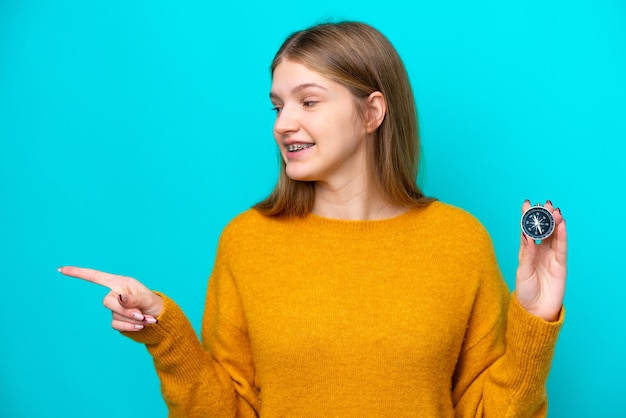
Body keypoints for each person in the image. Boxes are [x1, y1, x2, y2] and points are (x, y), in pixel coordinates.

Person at [59, 21, 567, 417]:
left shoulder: (458, 241)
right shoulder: (248, 241)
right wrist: (166, 334)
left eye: (308, 101)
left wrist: (534, 323)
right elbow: (227, 412)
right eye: (277, 105)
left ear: (372, 113)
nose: (284, 124)